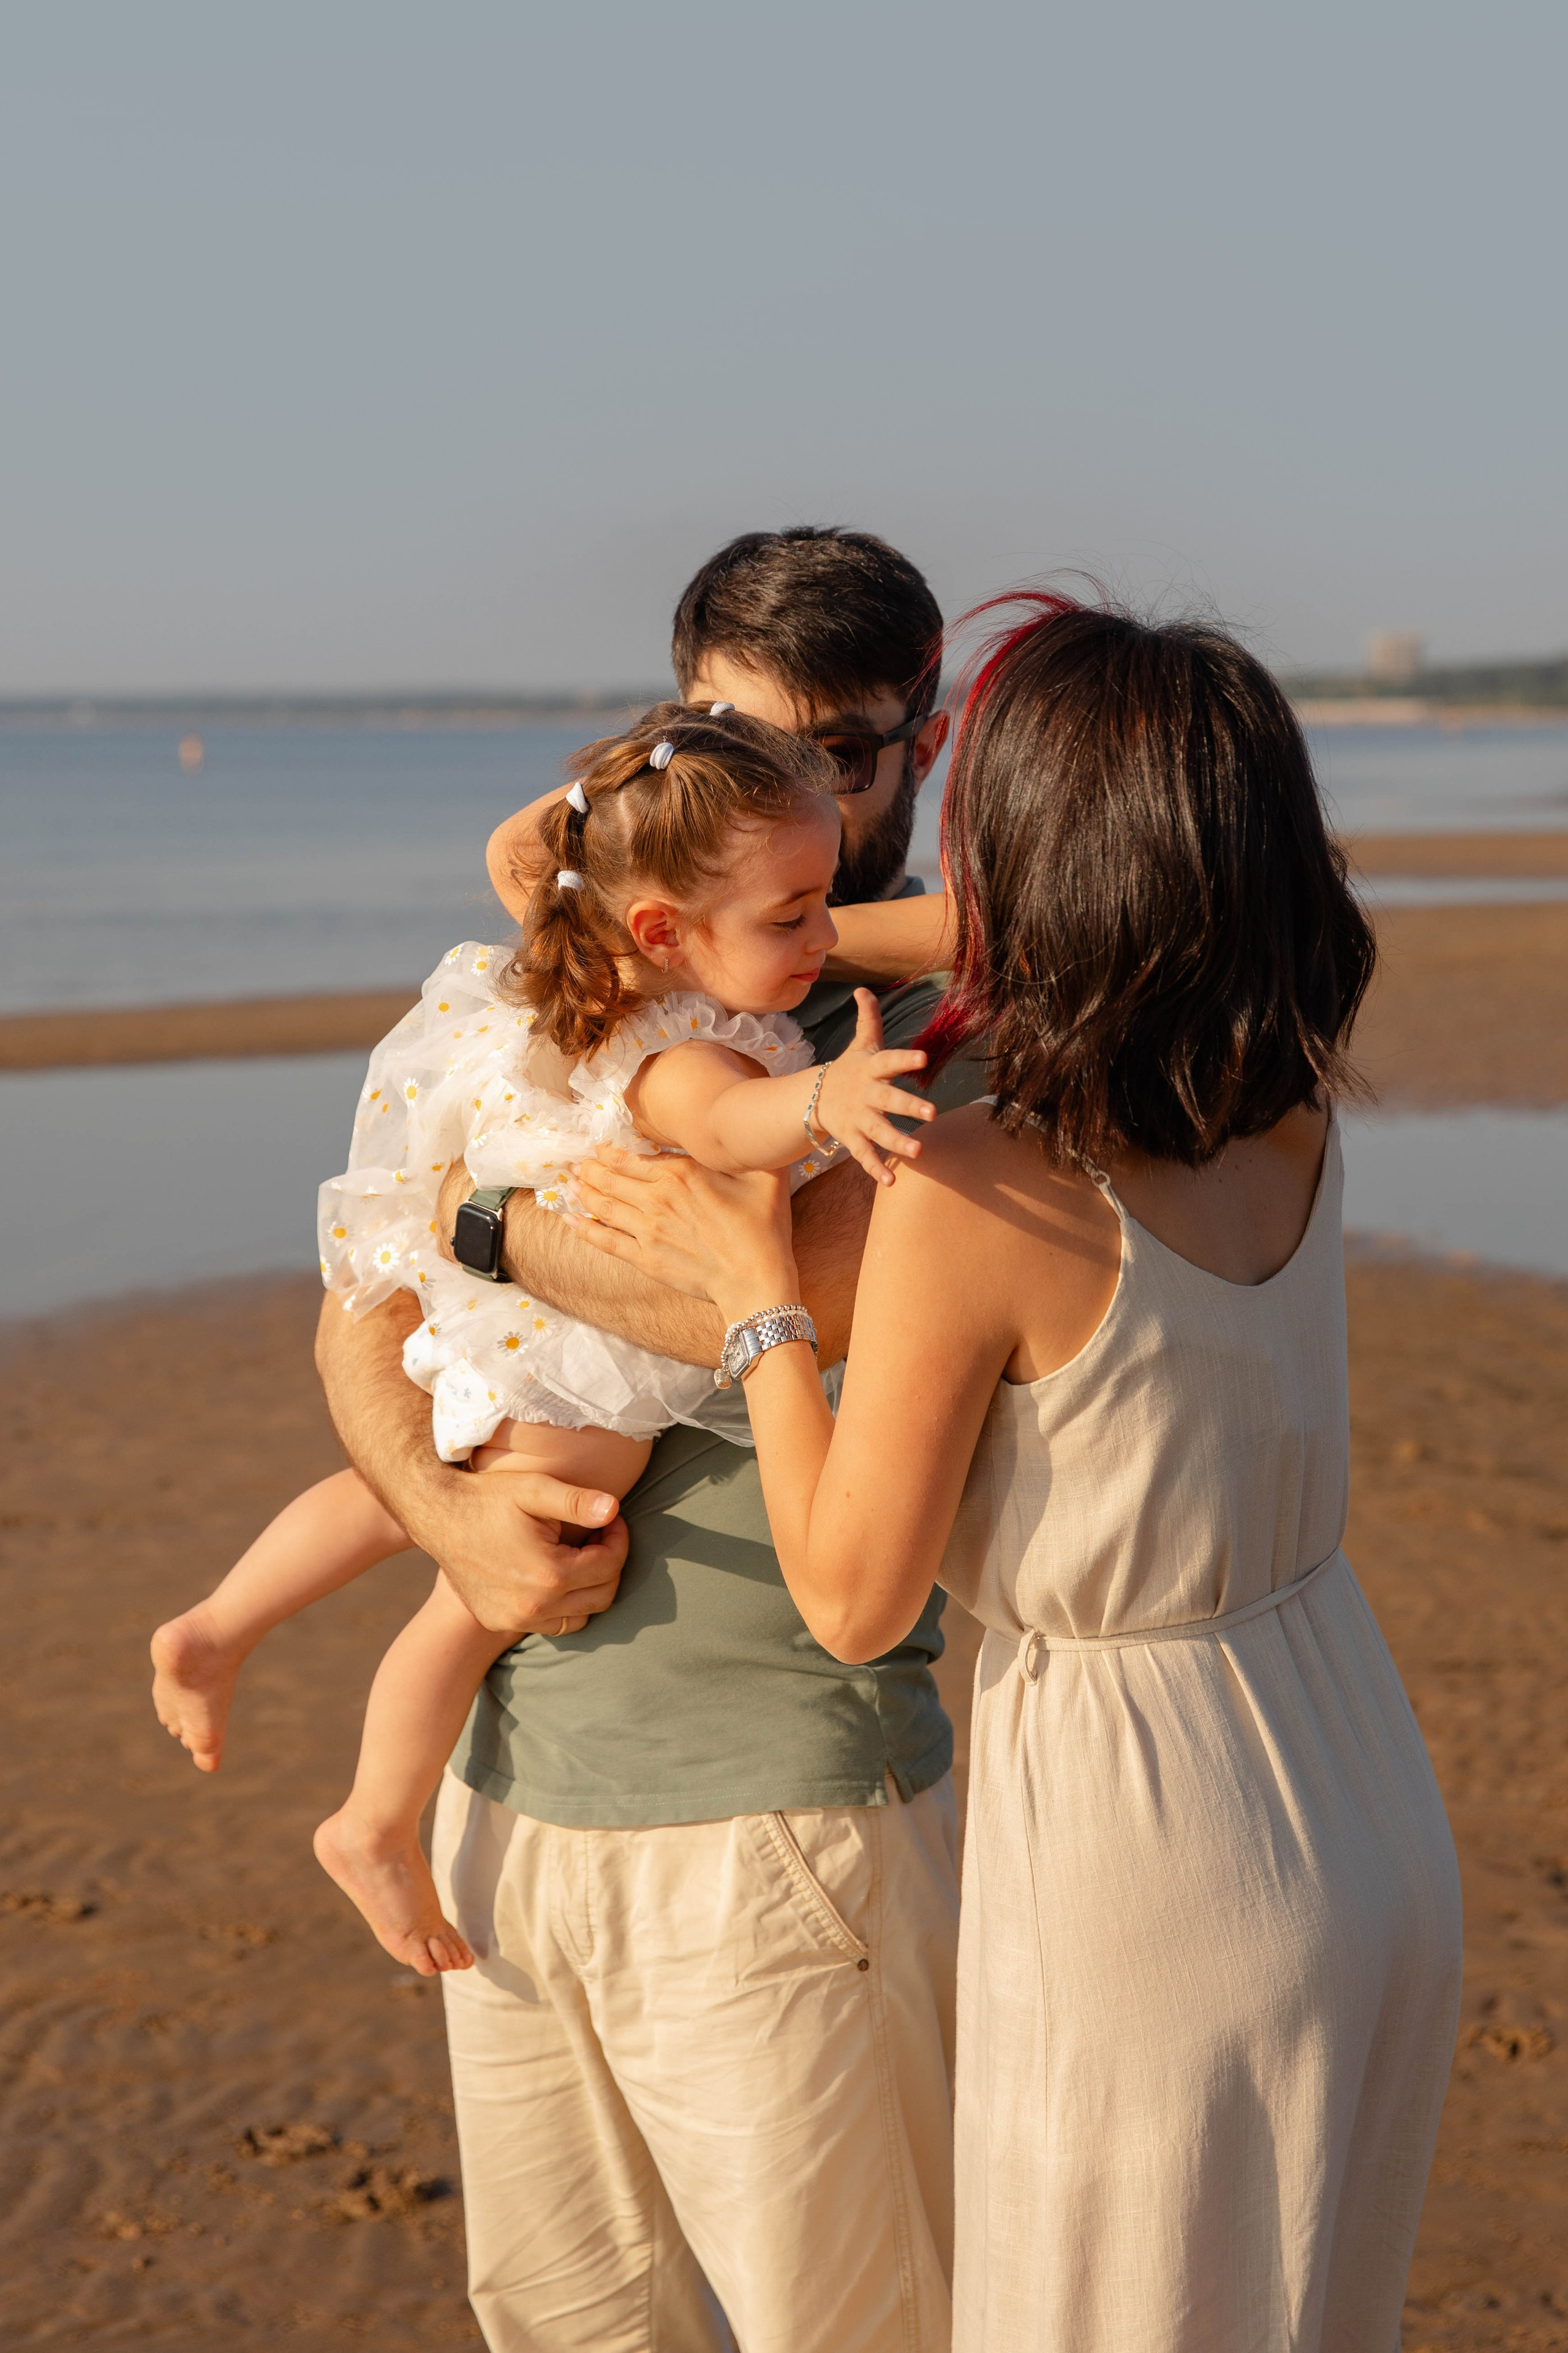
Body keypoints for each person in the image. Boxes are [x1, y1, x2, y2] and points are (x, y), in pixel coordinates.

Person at [576, 592, 1464, 2352]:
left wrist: (763, 1306)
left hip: (1149, 1853)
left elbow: (849, 1599)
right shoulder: (1289, 1113)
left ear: (1038, 862)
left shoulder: (986, 1186)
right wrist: (822, 947)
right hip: (1358, 1787)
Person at [313, 529, 984, 2353]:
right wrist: (444, 1524)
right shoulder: (601, 985)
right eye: (734, 738)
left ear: (919, 742)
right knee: (565, 2323)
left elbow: (788, 1296)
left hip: (779, 1815)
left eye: (845, 752)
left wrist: (485, 1220)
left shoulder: (942, 1039)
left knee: (845, 2327)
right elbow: (357, 1311)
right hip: (514, 1798)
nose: (799, 791)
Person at [150, 703, 935, 1978]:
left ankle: (219, 1623)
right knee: (475, 1592)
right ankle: (372, 1816)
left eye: (821, 902)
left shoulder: (647, 980)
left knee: (384, 1496)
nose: (824, 935)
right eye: (790, 916)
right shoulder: (684, 1043)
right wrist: (826, 1098)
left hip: (514, 1327)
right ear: (663, 930)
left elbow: (548, 843)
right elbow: (732, 1128)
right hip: (567, 1365)